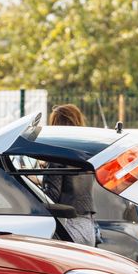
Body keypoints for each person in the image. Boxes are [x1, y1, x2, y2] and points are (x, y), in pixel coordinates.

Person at [42, 104, 100, 247]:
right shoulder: (84, 154)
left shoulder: (57, 155)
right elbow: (72, 182)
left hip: (68, 228)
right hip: (87, 226)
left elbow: (51, 197)